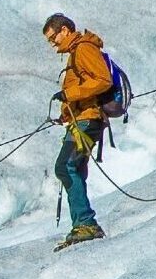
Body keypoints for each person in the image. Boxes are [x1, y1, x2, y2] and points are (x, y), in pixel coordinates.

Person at [42, 14, 118, 247]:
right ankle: (81, 224)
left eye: (53, 38)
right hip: (81, 119)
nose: (53, 44)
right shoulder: (76, 52)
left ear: (64, 30)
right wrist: (67, 111)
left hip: (88, 119)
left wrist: (70, 95)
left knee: (65, 166)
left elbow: (103, 81)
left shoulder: (84, 48)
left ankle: (85, 223)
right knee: (73, 168)